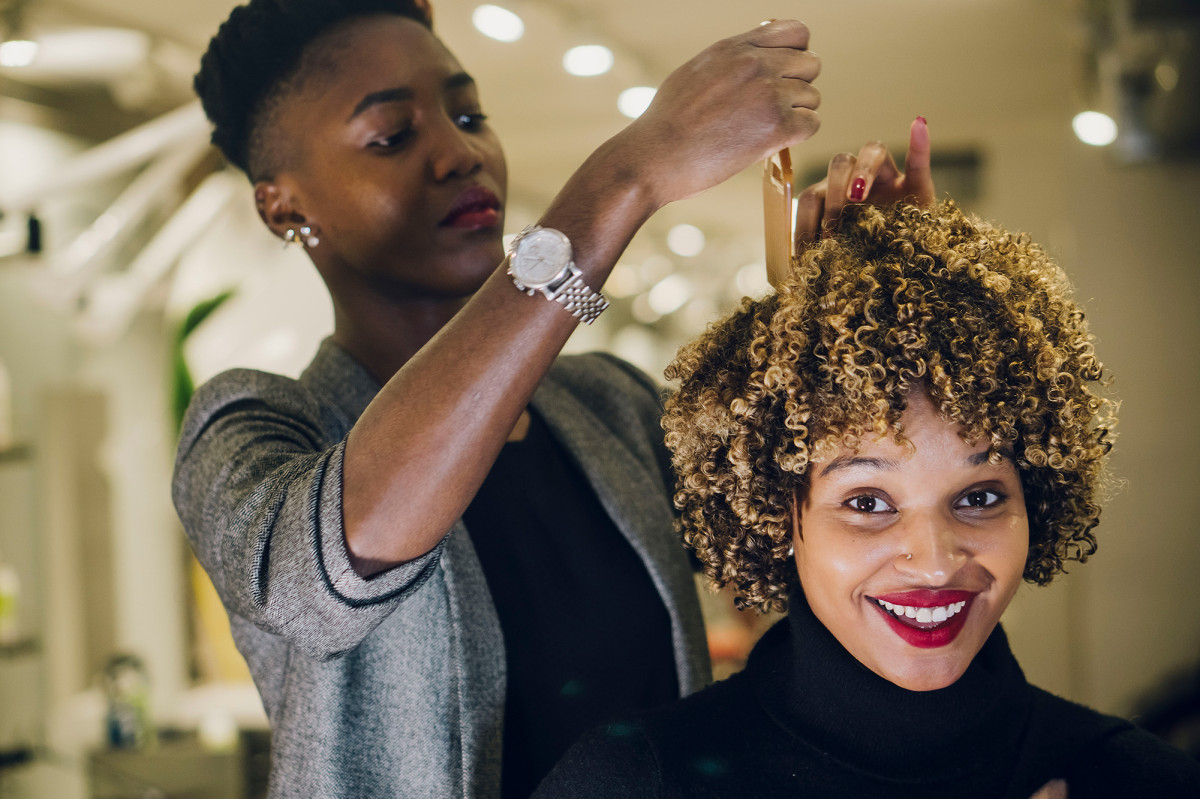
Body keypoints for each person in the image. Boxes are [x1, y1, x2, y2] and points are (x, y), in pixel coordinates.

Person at [171, 0, 821, 796]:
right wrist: (624, 177)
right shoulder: (251, 430)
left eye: (469, 114)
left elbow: (809, 529)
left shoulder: (610, 404)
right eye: (392, 135)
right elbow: (331, 569)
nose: (460, 151)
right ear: (284, 205)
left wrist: (853, 304)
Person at [533, 169, 1200, 797]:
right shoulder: (637, 780)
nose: (934, 562)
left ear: (1038, 497)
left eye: (978, 497)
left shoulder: (1138, 780)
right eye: (867, 502)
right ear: (777, 511)